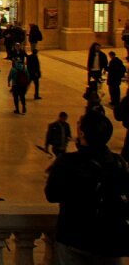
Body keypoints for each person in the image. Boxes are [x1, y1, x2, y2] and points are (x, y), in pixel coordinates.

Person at [45, 109, 129, 264]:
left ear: (82, 133)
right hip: (109, 241)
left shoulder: (67, 162)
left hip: (74, 237)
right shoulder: (119, 163)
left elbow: (52, 194)